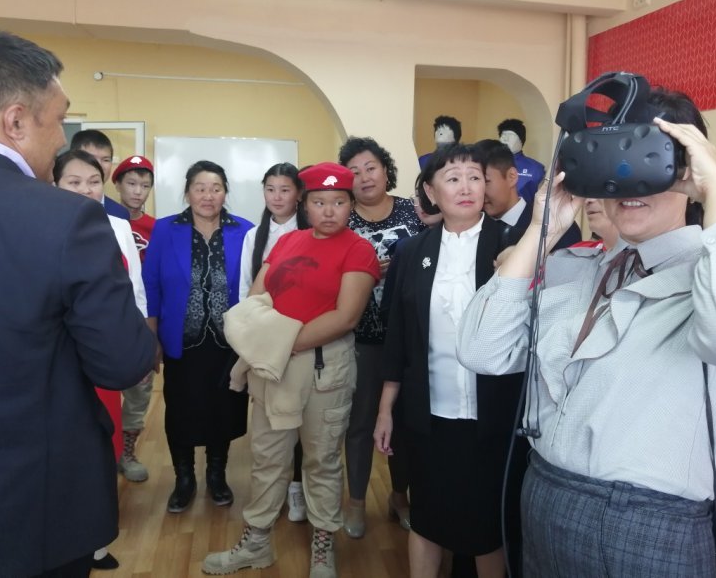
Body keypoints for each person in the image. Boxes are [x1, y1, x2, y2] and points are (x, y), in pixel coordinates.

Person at [458, 88, 716, 578]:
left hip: (645, 525)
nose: (627, 178)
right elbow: (481, 350)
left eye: (648, 157)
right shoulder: (583, 272)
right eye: (612, 159)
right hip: (545, 499)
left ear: (686, 167)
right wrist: (542, 229)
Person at [0, 30, 154, 577]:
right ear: (16, 121)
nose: (63, 138)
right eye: (59, 119)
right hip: (28, 503)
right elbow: (122, 361)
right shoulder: (64, 219)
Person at [203, 162, 379, 578]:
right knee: (267, 459)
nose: (329, 211)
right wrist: (274, 346)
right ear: (305, 203)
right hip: (273, 369)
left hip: (323, 369)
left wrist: (277, 342)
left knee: (321, 460)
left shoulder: (358, 250)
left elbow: (345, 317)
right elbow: (256, 299)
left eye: (339, 202)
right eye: (319, 202)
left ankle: (322, 548)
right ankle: (256, 543)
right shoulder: (287, 242)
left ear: (351, 204)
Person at [374, 143, 528, 578]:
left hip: (494, 414)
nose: (466, 187)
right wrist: (385, 409)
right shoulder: (412, 252)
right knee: (427, 516)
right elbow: (398, 337)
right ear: (430, 191)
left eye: (475, 177)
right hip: (429, 412)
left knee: (486, 526)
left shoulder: (512, 244)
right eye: (453, 178)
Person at [53, 148, 149, 571]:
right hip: (60, 359)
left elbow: (134, 289)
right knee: (65, 446)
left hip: (104, 354)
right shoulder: (41, 225)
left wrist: (139, 342)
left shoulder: (118, 225)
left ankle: (95, 540)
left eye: (93, 182)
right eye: (73, 182)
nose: (85, 190)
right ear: (55, 184)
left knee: (102, 443)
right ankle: (65, 540)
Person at [142, 160, 253, 513]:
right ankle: (184, 478)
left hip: (228, 342)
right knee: (181, 410)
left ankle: (217, 475)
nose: (208, 196)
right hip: (181, 340)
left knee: (223, 410)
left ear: (225, 192)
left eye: (216, 188)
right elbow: (151, 285)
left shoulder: (245, 231)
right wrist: (152, 337)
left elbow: (255, 287)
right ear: (187, 192)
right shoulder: (165, 229)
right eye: (200, 188)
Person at [338, 136, 425, 538]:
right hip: (361, 337)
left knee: (405, 423)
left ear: (385, 169)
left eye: (370, 167)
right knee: (359, 422)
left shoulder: (413, 211)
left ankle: (399, 496)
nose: (364, 177)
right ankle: (357, 502)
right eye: (354, 172)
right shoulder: (342, 219)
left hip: (408, 337)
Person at [237, 162, 309, 523]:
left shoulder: (310, 231)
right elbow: (245, 291)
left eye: (285, 189)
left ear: (298, 193)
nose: (277, 197)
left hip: (305, 336)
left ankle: (297, 486)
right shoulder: (255, 235)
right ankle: (273, 492)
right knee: (271, 423)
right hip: (267, 339)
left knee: (302, 420)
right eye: (270, 189)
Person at [112, 154, 157, 482]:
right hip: (108, 317)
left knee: (139, 389)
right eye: (131, 183)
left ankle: (127, 452)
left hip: (141, 320)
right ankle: (104, 449)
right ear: (117, 184)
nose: (138, 191)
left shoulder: (156, 228)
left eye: (145, 185)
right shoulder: (101, 219)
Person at [70, 128, 130, 220]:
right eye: (91, 158)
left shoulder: (120, 214)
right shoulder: (57, 206)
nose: (99, 166)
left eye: (106, 160)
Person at [496, 118, 545, 204]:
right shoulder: (489, 164)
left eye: (510, 135)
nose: (505, 139)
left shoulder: (536, 169)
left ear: (521, 141)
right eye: (503, 136)